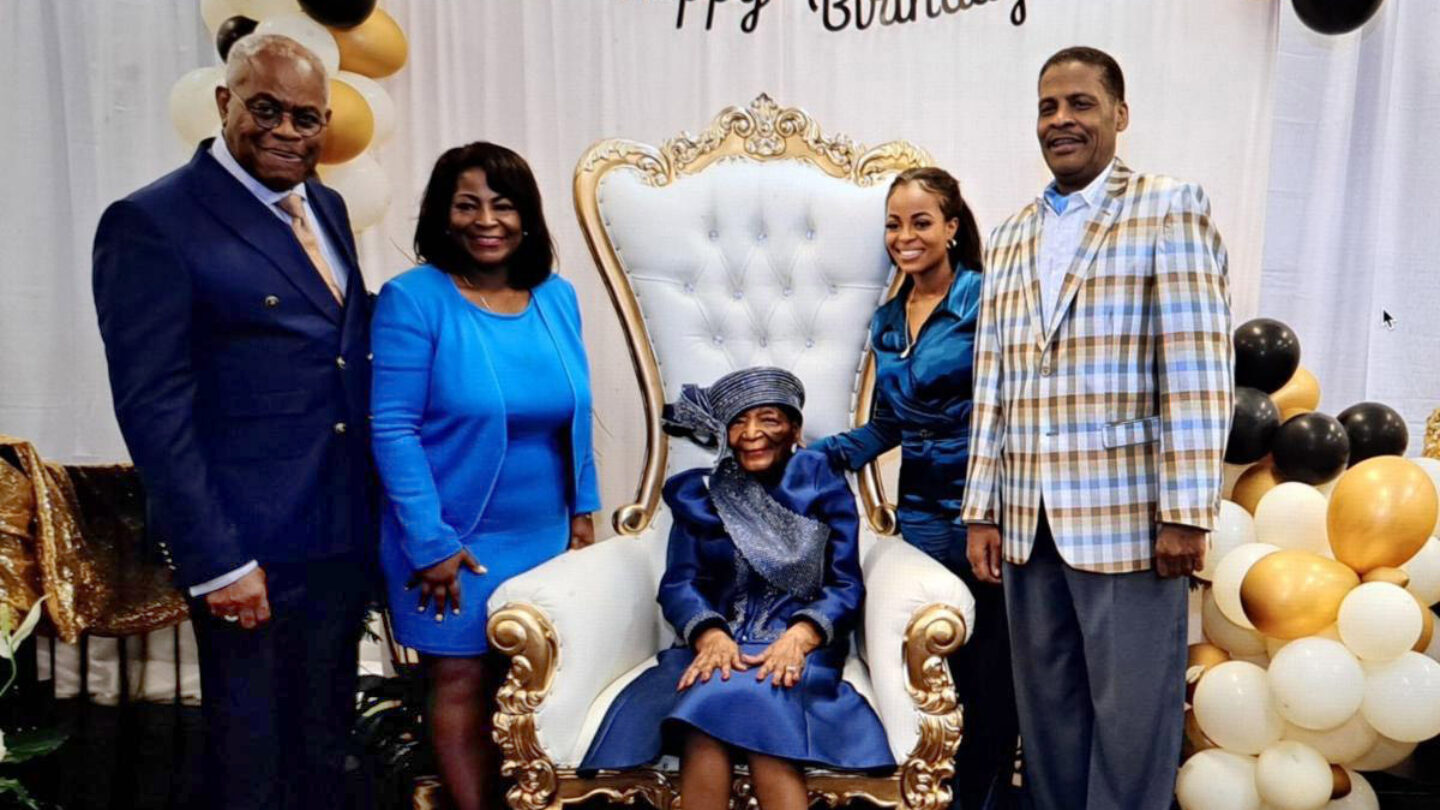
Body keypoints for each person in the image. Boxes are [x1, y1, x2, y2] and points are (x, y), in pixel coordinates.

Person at [91, 34, 375, 810]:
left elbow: (342, 358)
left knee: (322, 753)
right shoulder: (152, 222)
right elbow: (153, 407)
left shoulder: (329, 206)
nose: (288, 131)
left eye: (307, 118)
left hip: (338, 536)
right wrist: (216, 560)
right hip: (248, 550)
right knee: (251, 765)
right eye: (267, 109)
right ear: (224, 103)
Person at [962, 47, 1233, 809]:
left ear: (1120, 115)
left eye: (1080, 104)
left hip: (1130, 520)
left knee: (1131, 724)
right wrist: (982, 508)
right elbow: (996, 383)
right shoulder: (1012, 234)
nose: (1061, 121)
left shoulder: (1167, 206)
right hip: (1027, 522)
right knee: (1046, 718)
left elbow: (1197, 365)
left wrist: (1185, 511)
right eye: (1048, 107)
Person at [370, 141, 600, 810]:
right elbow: (392, 428)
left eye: (503, 204)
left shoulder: (557, 297)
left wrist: (582, 512)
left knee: (532, 688)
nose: (486, 219)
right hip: (454, 541)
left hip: (544, 538)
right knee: (463, 684)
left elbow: (577, 412)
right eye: (466, 204)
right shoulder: (414, 299)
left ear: (527, 216)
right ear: (443, 217)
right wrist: (430, 541)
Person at [580, 367, 894, 810]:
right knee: (722, 686)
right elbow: (680, 583)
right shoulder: (702, 494)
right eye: (739, 422)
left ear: (795, 430)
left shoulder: (822, 483)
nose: (752, 434)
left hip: (799, 648)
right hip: (715, 644)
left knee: (734, 695)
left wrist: (800, 637)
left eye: (768, 419)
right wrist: (710, 634)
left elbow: (845, 585)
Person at [810, 167, 1018, 809]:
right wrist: (811, 457)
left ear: (952, 228)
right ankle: (931, 794)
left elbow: (1011, 411)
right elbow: (889, 426)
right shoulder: (888, 320)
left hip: (988, 515)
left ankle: (978, 801)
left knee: (991, 677)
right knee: (932, 677)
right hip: (919, 521)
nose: (905, 236)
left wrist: (994, 510)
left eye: (921, 221)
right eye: (894, 224)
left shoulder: (989, 299)